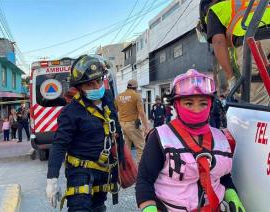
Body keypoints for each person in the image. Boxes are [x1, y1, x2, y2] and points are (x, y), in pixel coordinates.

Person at [136, 69, 245, 212]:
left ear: (211, 105)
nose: (196, 109)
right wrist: (149, 208)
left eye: (203, 103)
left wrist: (232, 196)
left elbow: (223, 177)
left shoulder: (222, 138)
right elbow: (144, 180)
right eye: (188, 103)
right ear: (176, 105)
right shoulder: (160, 137)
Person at [46, 55, 124, 211]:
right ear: (79, 87)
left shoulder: (108, 98)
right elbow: (59, 145)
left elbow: (117, 131)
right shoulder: (71, 112)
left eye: (99, 81)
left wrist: (121, 163)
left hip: (103, 170)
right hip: (80, 172)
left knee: (98, 208)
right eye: (90, 84)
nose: (96, 87)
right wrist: (52, 179)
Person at [201, 0, 270, 105]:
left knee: (256, 106)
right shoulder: (253, 2)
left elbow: (218, 41)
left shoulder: (216, 9)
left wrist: (230, 78)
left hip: (256, 41)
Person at [115, 79, 150, 163]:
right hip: (132, 124)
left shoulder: (119, 96)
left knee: (126, 147)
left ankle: (127, 168)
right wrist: (146, 127)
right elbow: (142, 113)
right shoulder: (136, 96)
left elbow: (115, 111)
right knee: (140, 146)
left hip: (122, 124)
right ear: (136, 87)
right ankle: (139, 169)